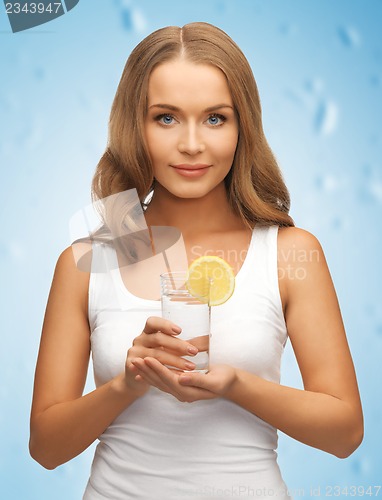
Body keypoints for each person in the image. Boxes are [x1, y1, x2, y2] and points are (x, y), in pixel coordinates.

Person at [29, 22, 363, 500]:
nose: (191, 144)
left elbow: (346, 433)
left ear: (242, 125)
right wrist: (128, 383)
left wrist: (236, 385)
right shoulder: (90, 259)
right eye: (166, 118)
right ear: (135, 126)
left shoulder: (289, 252)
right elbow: (45, 448)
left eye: (214, 118)